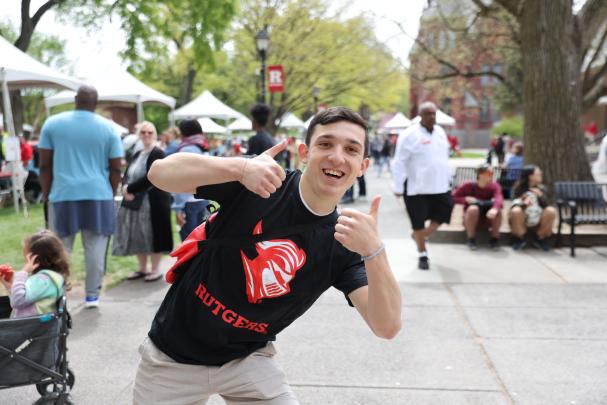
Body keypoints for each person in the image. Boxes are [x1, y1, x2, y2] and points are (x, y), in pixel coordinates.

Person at [132, 107, 402, 404]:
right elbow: (159, 173)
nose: (337, 157)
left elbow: (386, 326)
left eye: (351, 149)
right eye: (325, 144)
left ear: (362, 165)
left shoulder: (345, 241)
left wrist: (375, 251)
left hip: (247, 358)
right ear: (304, 152)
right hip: (172, 356)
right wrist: (239, 168)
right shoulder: (260, 180)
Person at [39, 85, 123, 309]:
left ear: (76, 99)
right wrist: (110, 192)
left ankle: (57, 294)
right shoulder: (109, 129)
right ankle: (92, 295)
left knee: (59, 249)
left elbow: (44, 165)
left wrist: (47, 195)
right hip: (98, 195)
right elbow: (116, 168)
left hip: (63, 194)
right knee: (95, 248)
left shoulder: (53, 124)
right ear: (96, 103)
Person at [392, 101, 453, 270]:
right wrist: (397, 187)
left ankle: (420, 236)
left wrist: (449, 179)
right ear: (420, 115)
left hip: (440, 185)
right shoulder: (409, 134)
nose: (431, 117)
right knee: (417, 222)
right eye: (427, 114)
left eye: (434, 113)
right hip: (416, 188)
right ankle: (423, 254)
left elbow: (444, 158)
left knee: (447, 209)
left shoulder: (440, 132)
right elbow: (399, 162)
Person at [112, 122, 173, 282]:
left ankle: (155, 269)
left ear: (155, 134)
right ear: (139, 134)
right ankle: (142, 268)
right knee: (138, 234)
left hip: (153, 202)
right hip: (135, 202)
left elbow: (152, 177)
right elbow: (128, 173)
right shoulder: (138, 153)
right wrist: (125, 186)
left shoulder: (158, 152)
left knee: (153, 234)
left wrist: (130, 189)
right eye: (143, 132)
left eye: (150, 132)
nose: (146, 135)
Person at [0, 230, 69, 318]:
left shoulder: (41, 280)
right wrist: (11, 287)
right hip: (42, 327)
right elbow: (28, 297)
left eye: (25, 253)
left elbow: (18, 301)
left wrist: (23, 272)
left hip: (30, 329)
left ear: (34, 258)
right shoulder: (52, 277)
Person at [172, 119, 211, 241]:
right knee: (203, 241)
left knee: (190, 244)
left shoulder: (186, 150)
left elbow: (181, 180)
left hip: (189, 203)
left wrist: (178, 207)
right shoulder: (203, 147)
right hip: (204, 201)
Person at [452, 164, 504, 250]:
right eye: (489, 173)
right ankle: (471, 239)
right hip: (470, 220)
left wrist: (495, 209)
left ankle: (494, 239)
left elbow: (499, 199)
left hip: (488, 219)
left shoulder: (495, 186)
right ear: (480, 174)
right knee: (473, 209)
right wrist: (465, 199)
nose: (492, 175)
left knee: (497, 211)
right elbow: (453, 197)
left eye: (492, 173)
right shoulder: (468, 185)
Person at [509, 165, 556, 251]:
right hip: (524, 217)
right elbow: (512, 204)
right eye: (538, 174)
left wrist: (541, 196)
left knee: (551, 211)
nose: (540, 175)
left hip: (538, 216)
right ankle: (519, 238)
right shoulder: (518, 188)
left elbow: (549, 205)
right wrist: (523, 202)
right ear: (530, 176)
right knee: (516, 211)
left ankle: (540, 238)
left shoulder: (542, 188)